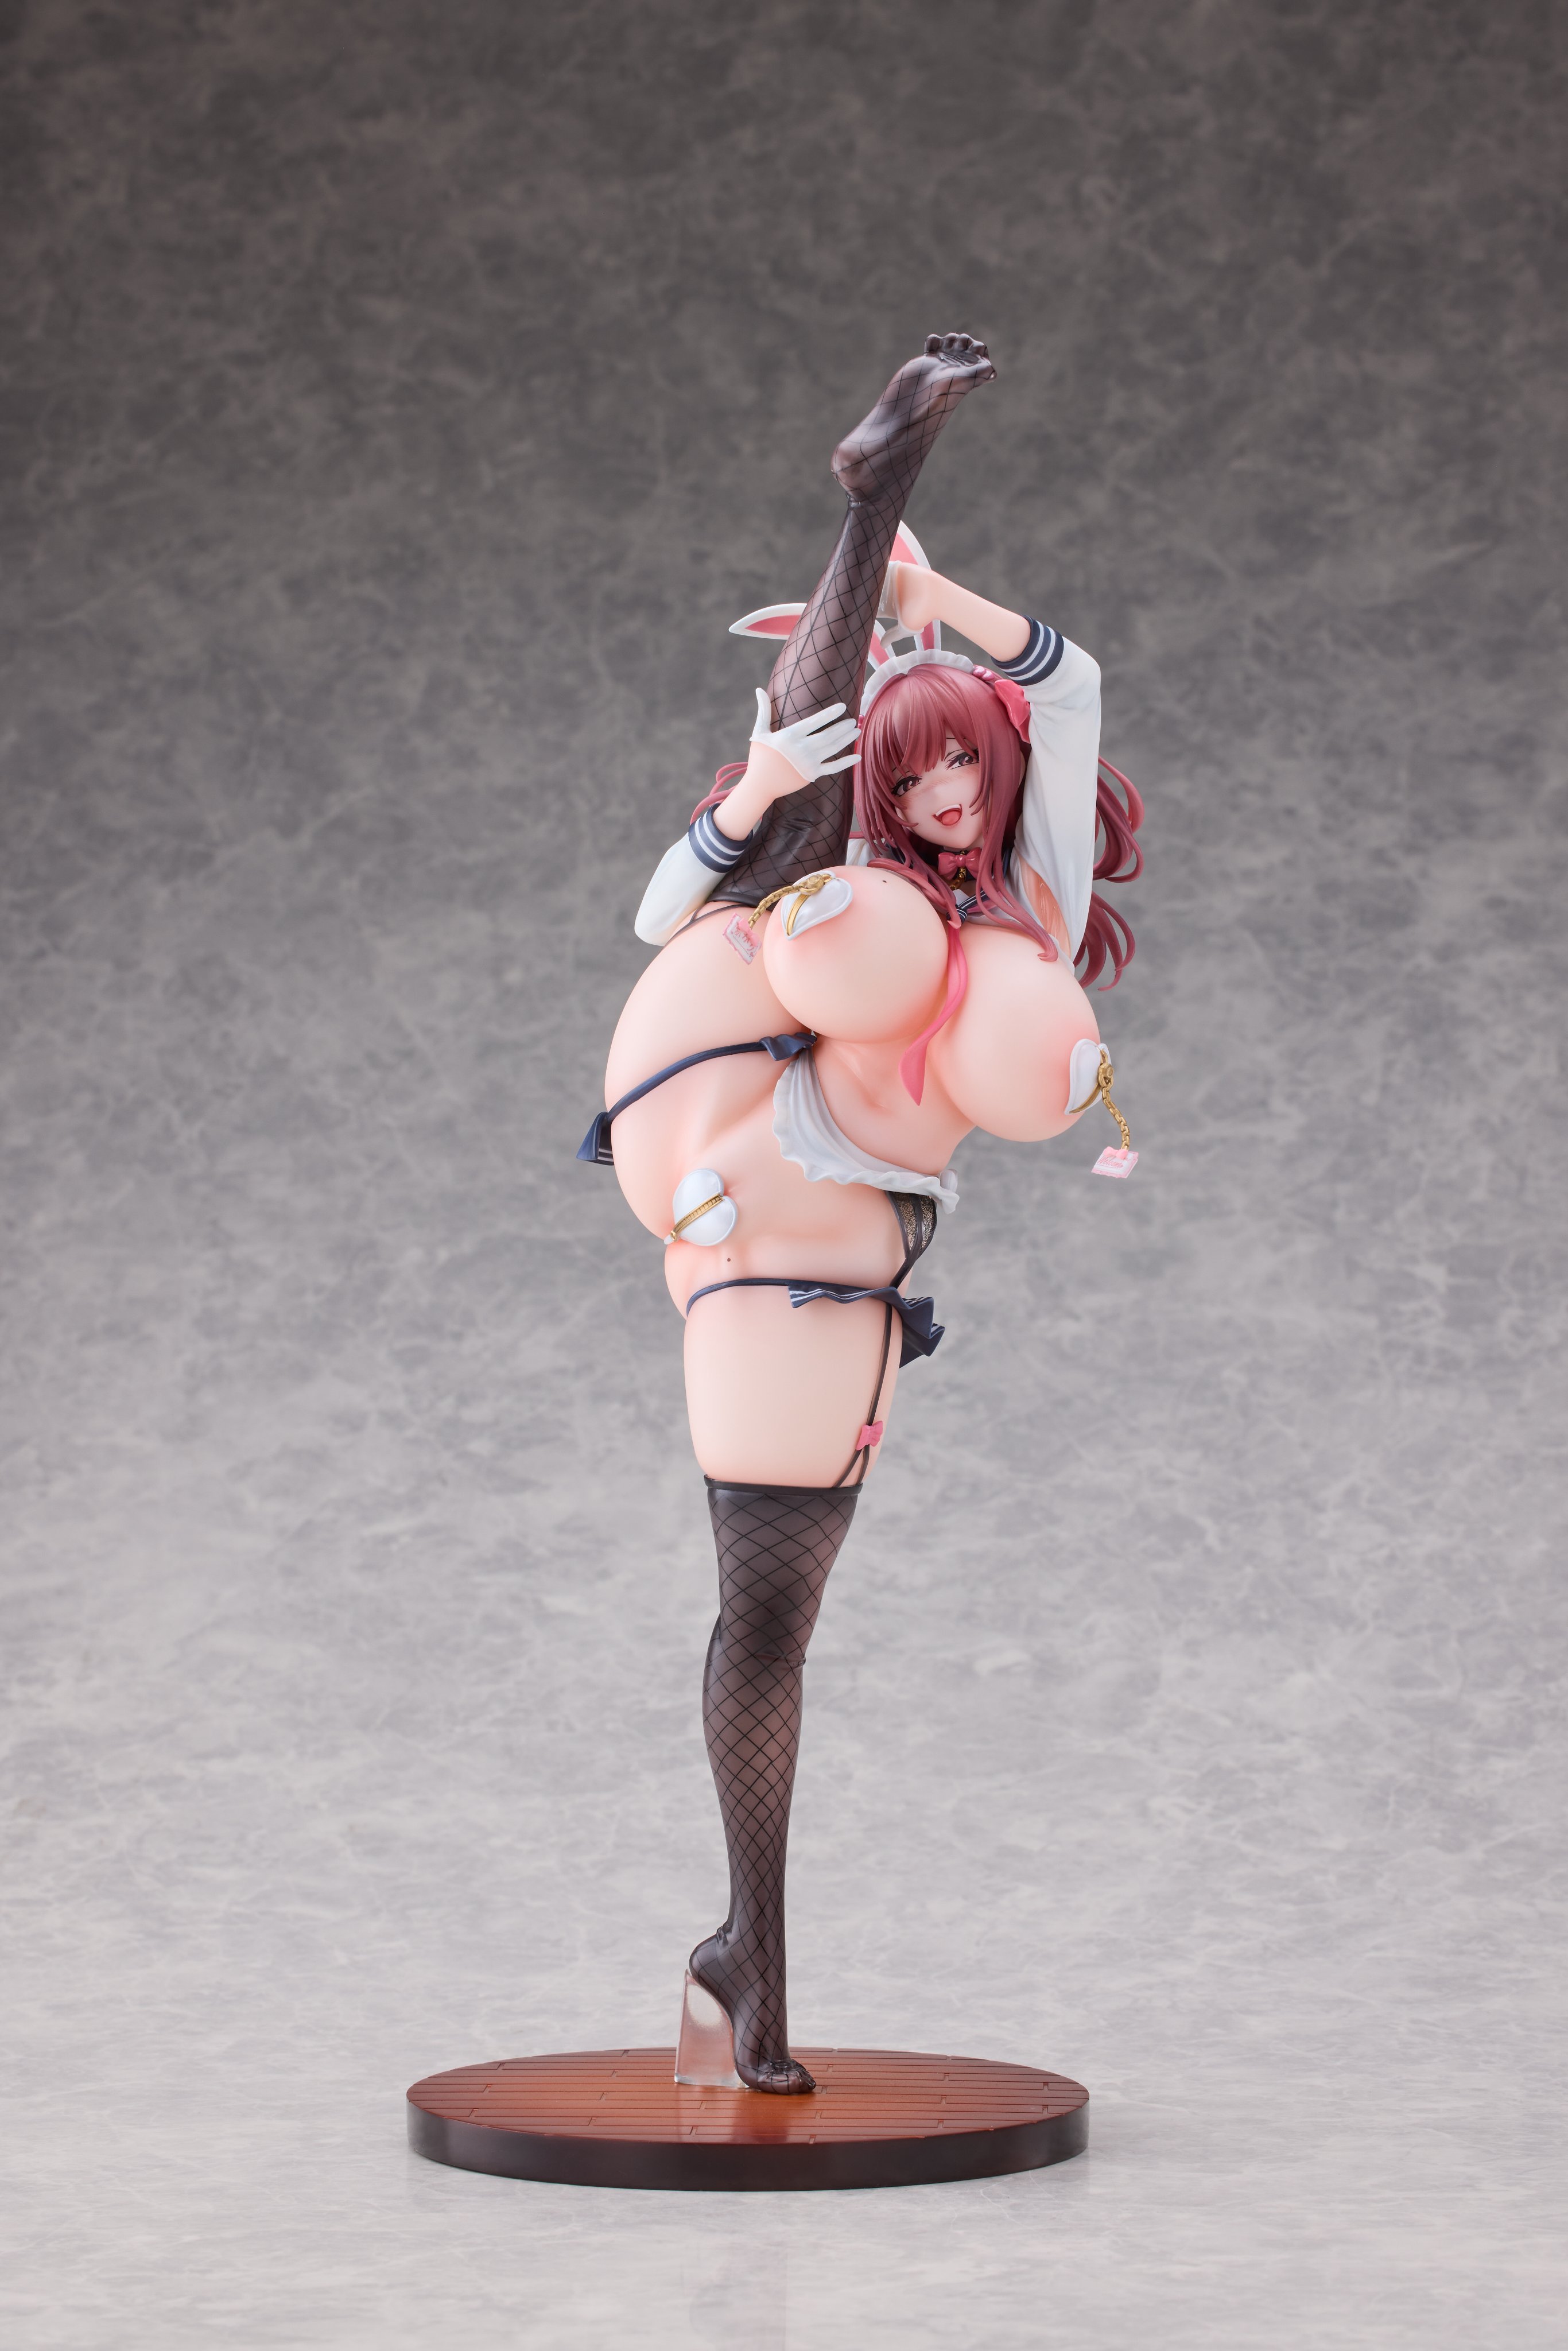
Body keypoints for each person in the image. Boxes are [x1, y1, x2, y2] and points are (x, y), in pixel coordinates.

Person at [580, 338, 1142, 2093]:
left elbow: (1073, 679)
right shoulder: (838, 888)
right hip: (763, 1248)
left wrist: (927, 599)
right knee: (762, 1617)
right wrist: (761, 795)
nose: (944, 799)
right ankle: (871, 478)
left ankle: (741, 1949)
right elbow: (662, 913)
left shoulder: (1026, 896)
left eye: (961, 764)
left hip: (852, 1277)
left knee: (778, 1620)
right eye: (914, 782)